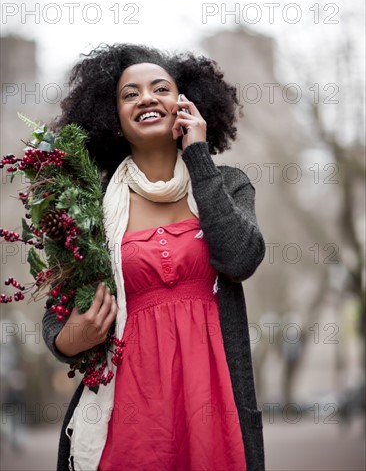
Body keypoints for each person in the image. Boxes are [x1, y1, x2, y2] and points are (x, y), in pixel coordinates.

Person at [42, 43, 266, 471]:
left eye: (160, 88)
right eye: (130, 94)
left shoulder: (228, 184)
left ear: (184, 104)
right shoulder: (90, 204)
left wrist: (198, 156)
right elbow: (56, 322)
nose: (146, 97)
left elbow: (240, 259)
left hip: (213, 401)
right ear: (113, 120)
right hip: (130, 409)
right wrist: (78, 334)